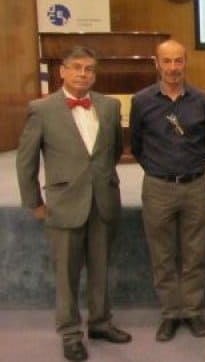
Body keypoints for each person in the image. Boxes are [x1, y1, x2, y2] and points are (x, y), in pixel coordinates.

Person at [16, 46, 131, 361]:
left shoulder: (109, 107)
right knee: (66, 275)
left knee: (100, 268)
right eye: (77, 67)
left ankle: (100, 323)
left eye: (89, 68)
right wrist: (34, 202)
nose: (83, 74)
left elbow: (114, 151)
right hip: (64, 204)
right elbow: (25, 161)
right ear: (62, 71)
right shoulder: (41, 109)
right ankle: (69, 334)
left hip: (103, 200)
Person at [129, 39, 205, 342]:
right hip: (158, 186)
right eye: (166, 61)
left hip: (195, 185)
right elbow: (136, 144)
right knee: (162, 254)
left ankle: (192, 311)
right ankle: (170, 313)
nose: (173, 67)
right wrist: (158, 169)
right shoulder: (142, 101)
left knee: (195, 253)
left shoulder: (202, 100)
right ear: (157, 64)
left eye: (178, 60)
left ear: (185, 62)